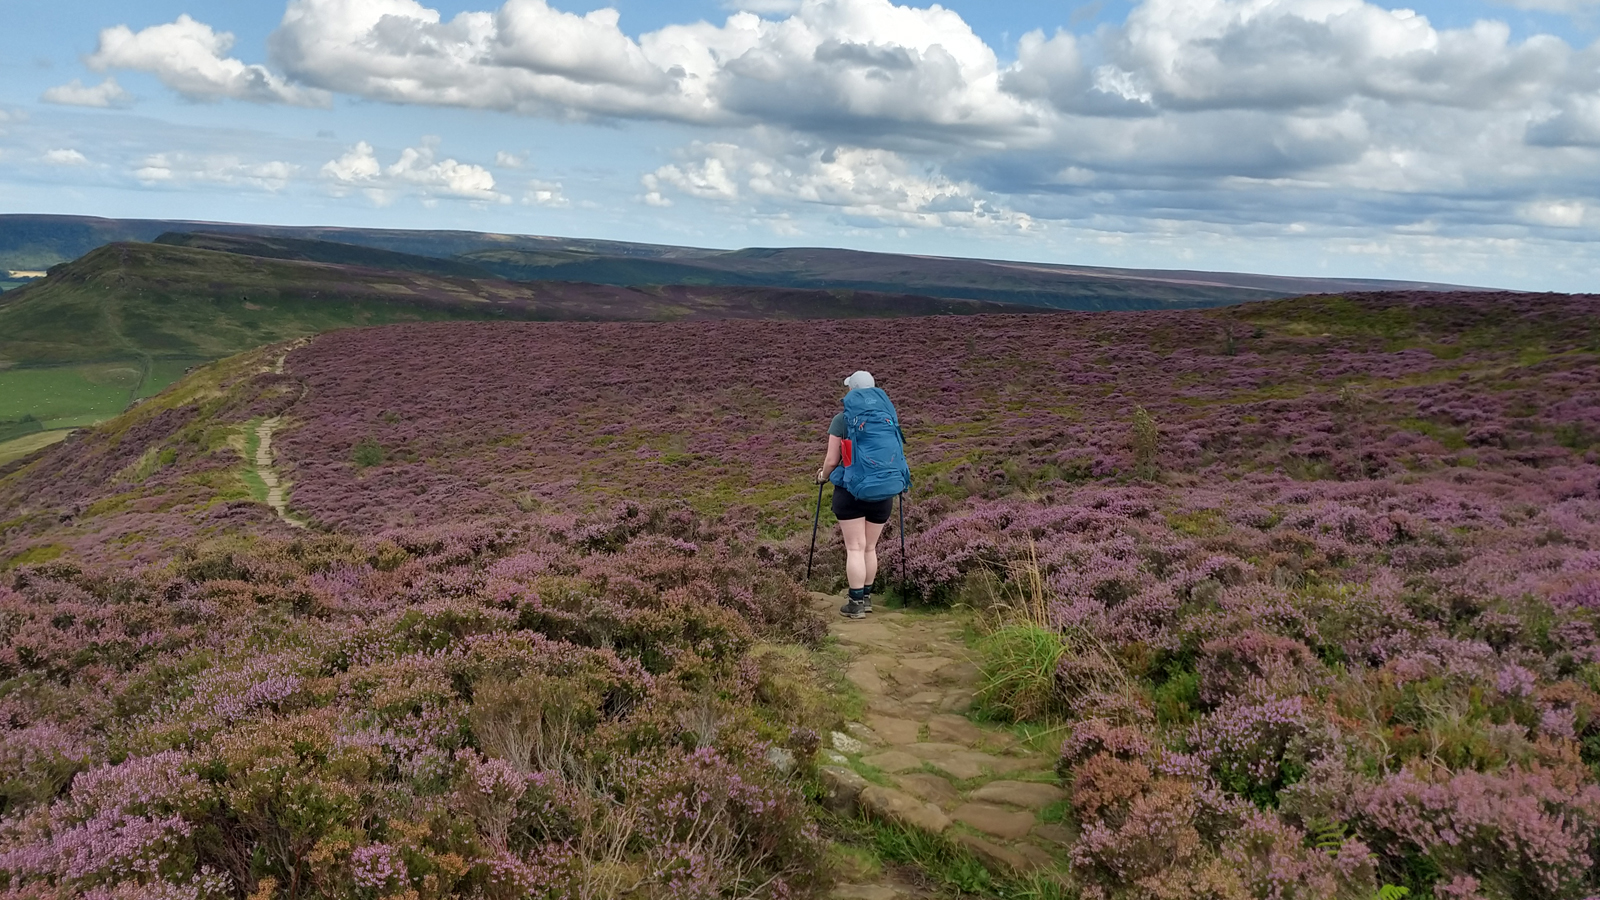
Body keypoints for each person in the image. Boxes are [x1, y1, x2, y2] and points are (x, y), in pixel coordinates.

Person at [816, 370, 909, 619]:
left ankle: (855, 604)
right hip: (884, 491)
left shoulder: (841, 419)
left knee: (855, 549)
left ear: (852, 390)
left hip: (851, 492)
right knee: (870, 548)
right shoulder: (887, 416)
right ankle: (867, 598)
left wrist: (823, 476)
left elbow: (832, 459)